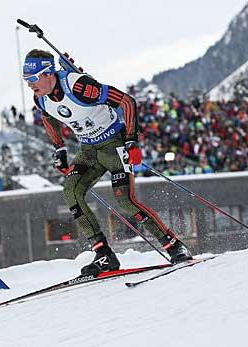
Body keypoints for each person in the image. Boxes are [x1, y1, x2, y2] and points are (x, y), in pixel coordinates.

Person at [23, 49, 192, 275]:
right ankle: (104, 255)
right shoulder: (40, 98)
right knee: (70, 191)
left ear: (48, 73)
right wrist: (60, 148)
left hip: (114, 144)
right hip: (89, 149)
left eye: (33, 78)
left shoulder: (79, 86)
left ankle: (174, 246)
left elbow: (126, 101)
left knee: (125, 202)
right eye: (26, 80)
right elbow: (47, 117)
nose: (30, 85)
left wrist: (132, 141)